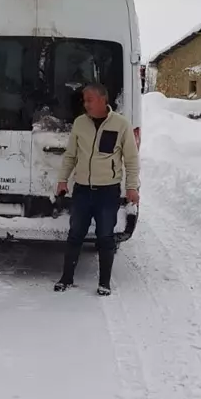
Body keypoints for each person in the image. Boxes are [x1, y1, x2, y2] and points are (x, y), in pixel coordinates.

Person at [54, 84, 140, 295]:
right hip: (82, 190)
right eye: (84, 100)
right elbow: (71, 155)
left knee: (105, 237)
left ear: (103, 100)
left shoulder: (121, 124)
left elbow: (131, 159)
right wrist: (63, 180)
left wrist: (131, 187)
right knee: (75, 234)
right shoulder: (80, 123)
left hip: (107, 192)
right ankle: (66, 278)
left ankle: (104, 283)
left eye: (89, 100)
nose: (86, 104)